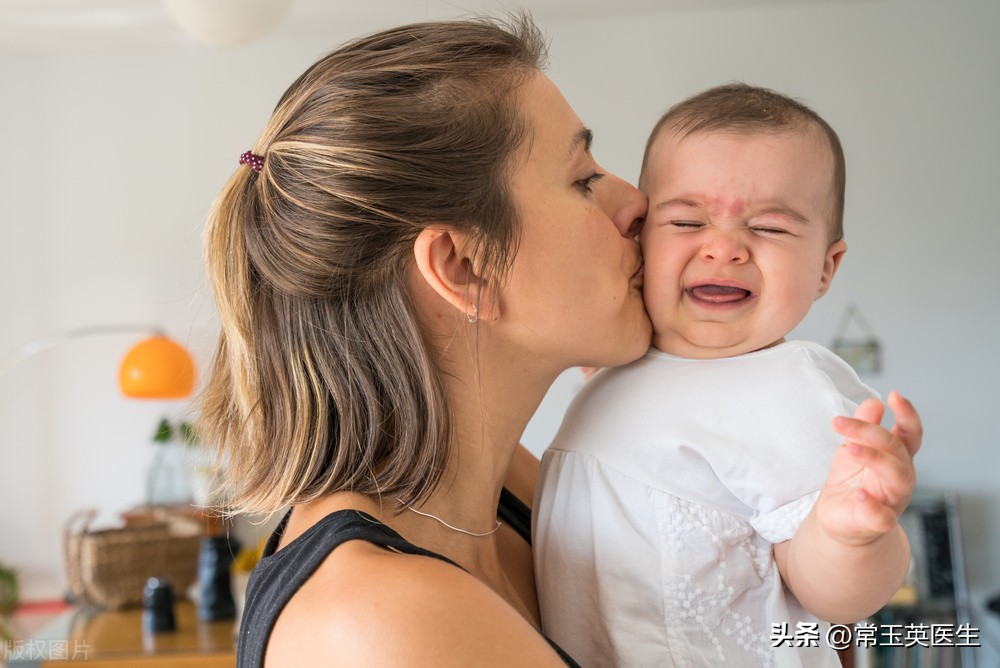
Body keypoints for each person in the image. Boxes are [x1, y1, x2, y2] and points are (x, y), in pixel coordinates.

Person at [198, 15, 653, 667]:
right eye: (583, 180)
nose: (635, 200)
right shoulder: (383, 625)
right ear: (464, 268)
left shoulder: (501, 489)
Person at [534, 83, 922, 667]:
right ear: (640, 236)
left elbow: (838, 600)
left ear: (825, 267)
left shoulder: (786, 388)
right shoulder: (619, 357)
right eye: (687, 222)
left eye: (768, 228)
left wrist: (852, 535)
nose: (725, 248)